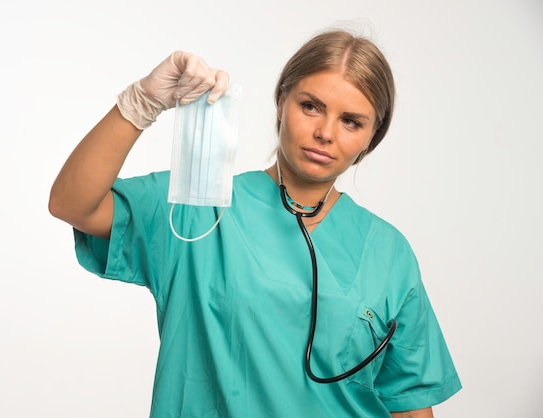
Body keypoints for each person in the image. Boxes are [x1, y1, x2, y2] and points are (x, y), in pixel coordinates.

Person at [49, 29, 461, 417]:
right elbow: (73, 204)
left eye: (351, 121)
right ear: (281, 102)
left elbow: (408, 403)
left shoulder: (389, 253)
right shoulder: (199, 209)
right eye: (310, 106)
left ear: (373, 136)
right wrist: (140, 103)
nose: (325, 133)